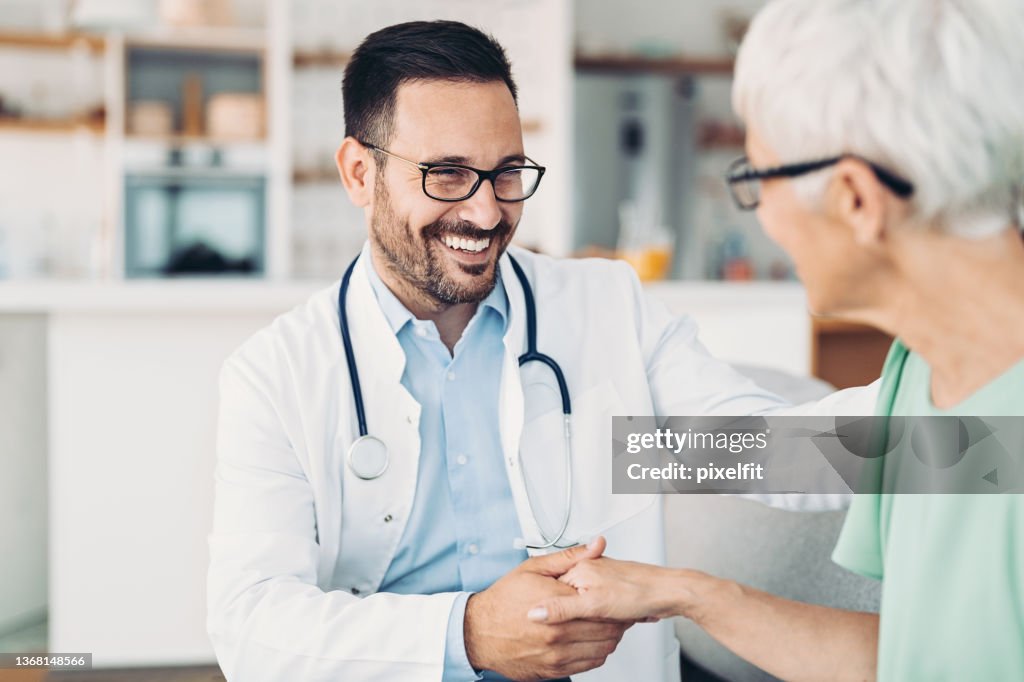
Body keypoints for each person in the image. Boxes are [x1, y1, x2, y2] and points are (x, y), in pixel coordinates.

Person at [206, 20, 875, 682]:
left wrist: (969, 428)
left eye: (506, 173)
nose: (488, 212)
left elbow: (765, 453)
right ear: (359, 173)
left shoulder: (605, 311)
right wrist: (467, 636)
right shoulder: (277, 374)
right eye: (446, 175)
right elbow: (252, 627)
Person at [527, 1, 1024, 680]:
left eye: (758, 178)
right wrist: (683, 588)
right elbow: (910, 654)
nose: (764, 219)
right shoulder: (929, 382)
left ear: (855, 199)